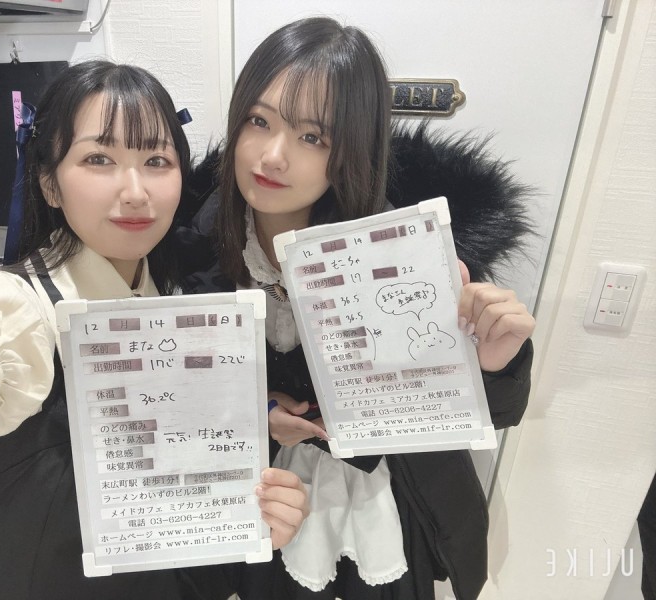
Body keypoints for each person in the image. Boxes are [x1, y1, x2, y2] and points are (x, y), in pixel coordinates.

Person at [0, 60, 309, 599]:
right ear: (49, 183)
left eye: (156, 161)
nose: (135, 191)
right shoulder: (5, 309)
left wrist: (247, 509)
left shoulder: (177, 300)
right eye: (99, 159)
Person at [177, 16, 536, 600]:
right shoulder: (190, 248)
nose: (272, 156)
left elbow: (487, 413)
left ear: (350, 149)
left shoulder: (404, 250)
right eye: (259, 121)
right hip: (263, 502)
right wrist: (257, 411)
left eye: (312, 137)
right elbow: (180, 394)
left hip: (383, 504)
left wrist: (493, 363)